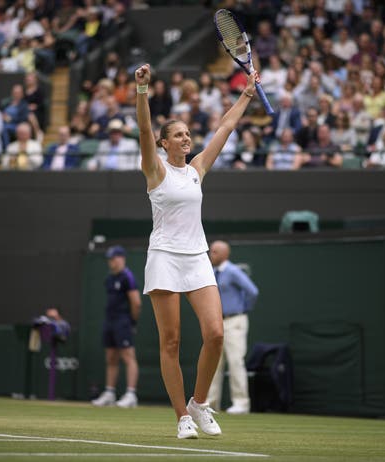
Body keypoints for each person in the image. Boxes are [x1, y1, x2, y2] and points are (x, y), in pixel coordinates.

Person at [135, 62, 258, 439]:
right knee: (170, 342)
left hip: (197, 258)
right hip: (164, 258)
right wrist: (142, 90)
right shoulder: (154, 169)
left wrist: (247, 94)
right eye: (179, 135)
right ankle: (181, 418)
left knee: (216, 334)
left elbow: (224, 128)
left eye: (188, 134)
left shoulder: (197, 169)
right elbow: (143, 128)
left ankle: (199, 404)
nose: (187, 139)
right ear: (164, 142)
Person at [207, 241, 259, 415]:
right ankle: (210, 403)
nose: (210, 254)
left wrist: (243, 309)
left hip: (234, 321)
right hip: (217, 322)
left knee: (236, 361)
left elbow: (252, 291)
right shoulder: (211, 273)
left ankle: (241, 403)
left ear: (224, 254)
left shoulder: (233, 271)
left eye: (214, 252)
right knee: (214, 363)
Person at [91, 245, 141, 409]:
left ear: (122, 258)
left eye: (114, 258)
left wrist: (132, 321)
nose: (111, 262)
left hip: (123, 321)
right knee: (111, 357)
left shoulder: (128, 277)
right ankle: (110, 393)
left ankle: (131, 394)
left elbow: (136, 302)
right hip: (110, 321)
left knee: (128, 357)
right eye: (109, 259)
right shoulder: (110, 278)